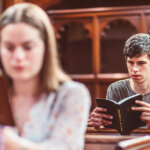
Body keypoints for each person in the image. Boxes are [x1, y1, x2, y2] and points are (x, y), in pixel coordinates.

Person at [0, 3, 91, 150]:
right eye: (9, 47)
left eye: (27, 47)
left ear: (45, 47)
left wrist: (10, 143)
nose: (18, 56)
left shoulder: (71, 95)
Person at [90, 33, 150, 128]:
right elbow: (110, 127)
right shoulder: (116, 88)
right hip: (121, 141)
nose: (134, 69)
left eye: (141, 63)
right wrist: (99, 124)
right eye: (130, 62)